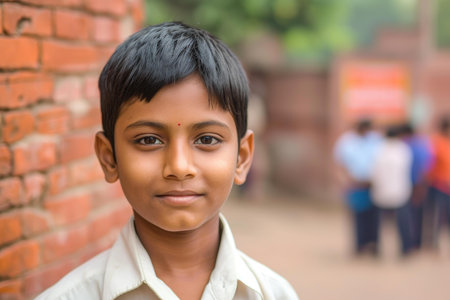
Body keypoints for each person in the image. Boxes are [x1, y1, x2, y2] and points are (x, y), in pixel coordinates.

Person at [36, 22, 299, 300]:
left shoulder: (274, 294)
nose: (179, 167)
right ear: (109, 157)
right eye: (148, 140)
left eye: (207, 140)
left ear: (242, 158)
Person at [334, 119, 381, 256]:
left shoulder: (375, 139)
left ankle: (373, 246)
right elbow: (340, 164)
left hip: (373, 185)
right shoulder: (347, 142)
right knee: (358, 217)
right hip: (355, 185)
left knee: (374, 218)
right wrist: (346, 181)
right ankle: (359, 247)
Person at [371, 125, 414, 256]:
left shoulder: (378, 149)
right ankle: (406, 248)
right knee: (403, 223)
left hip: (381, 192)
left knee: (378, 224)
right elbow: (407, 170)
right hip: (400, 191)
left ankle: (376, 248)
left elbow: (374, 171)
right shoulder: (403, 149)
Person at [400, 123, 432, 250]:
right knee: (418, 215)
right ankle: (417, 243)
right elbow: (426, 167)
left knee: (410, 215)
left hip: (410, 185)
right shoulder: (421, 145)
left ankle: (413, 243)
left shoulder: (405, 146)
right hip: (417, 184)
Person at [425, 116, 450, 250]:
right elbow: (430, 165)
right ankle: (434, 244)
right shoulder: (436, 142)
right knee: (437, 217)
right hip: (439, 186)